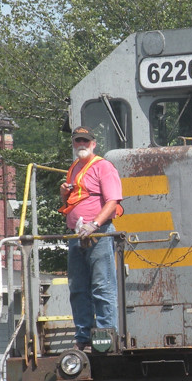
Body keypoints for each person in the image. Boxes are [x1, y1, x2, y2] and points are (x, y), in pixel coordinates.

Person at [59, 126, 123, 350]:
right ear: (74, 144)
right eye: (78, 141)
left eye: (85, 141)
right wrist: (64, 194)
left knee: (102, 287)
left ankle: (106, 336)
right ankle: (83, 338)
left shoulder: (104, 167)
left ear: (94, 144)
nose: (81, 144)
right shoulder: (74, 168)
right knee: (78, 288)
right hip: (76, 235)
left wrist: (94, 224)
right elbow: (72, 200)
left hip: (99, 234)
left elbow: (112, 201)